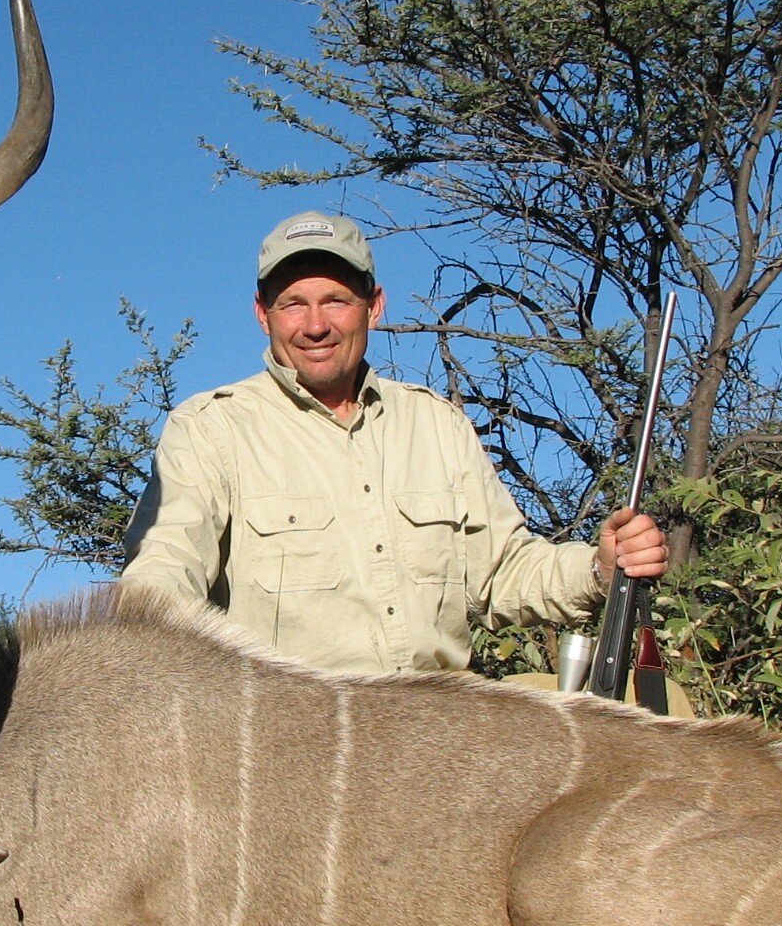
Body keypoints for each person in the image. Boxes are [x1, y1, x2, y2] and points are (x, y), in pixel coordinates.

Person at [120, 212, 669, 674]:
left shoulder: (437, 425)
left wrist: (602, 565)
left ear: (373, 306)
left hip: (436, 737)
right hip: (285, 742)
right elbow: (165, 567)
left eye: (336, 300)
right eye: (293, 304)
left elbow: (504, 574)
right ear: (263, 314)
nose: (315, 325)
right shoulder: (210, 427)